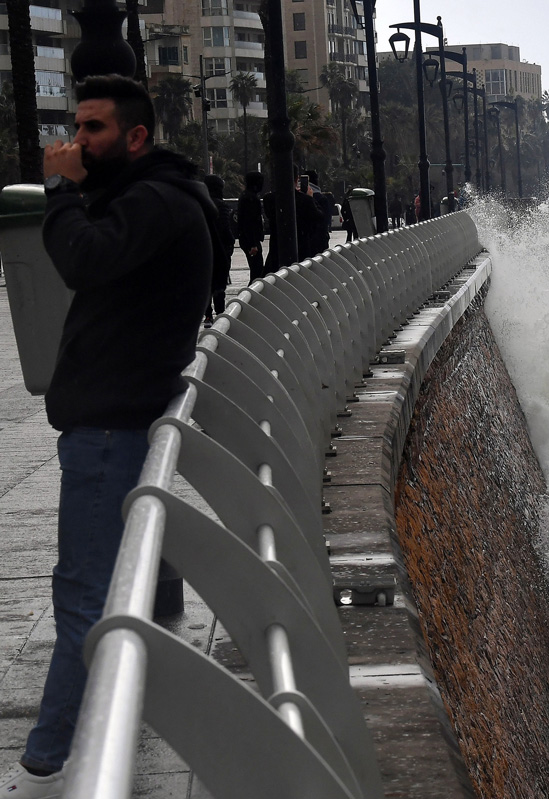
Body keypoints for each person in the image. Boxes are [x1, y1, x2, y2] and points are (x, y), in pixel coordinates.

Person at [0, 74, 214, 798]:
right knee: (118, 572)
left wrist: (58, 194)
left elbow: (84, 258)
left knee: (83, 593)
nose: (76, 141)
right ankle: (137, 679)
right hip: (118, 416)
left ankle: (48, 755)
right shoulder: (157, 194)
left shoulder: (153, 201)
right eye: (76, 126)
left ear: (135, 137)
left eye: (92, 128)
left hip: (109, 426)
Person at [203, 173, 235, 325]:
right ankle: (221, 313)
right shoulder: (222, 206)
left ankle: (208, 315)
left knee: (207, 284)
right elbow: (226, 229)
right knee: (220, 283)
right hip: (221, 250)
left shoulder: (201, 204)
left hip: (205, 249)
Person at [238, 171, 265, 284]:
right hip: (251, 240)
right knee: (257, 271)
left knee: (256, 270)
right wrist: (253, 243)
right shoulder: (251, 199)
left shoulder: (245, 196)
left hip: (247, 239)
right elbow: (250, 222)